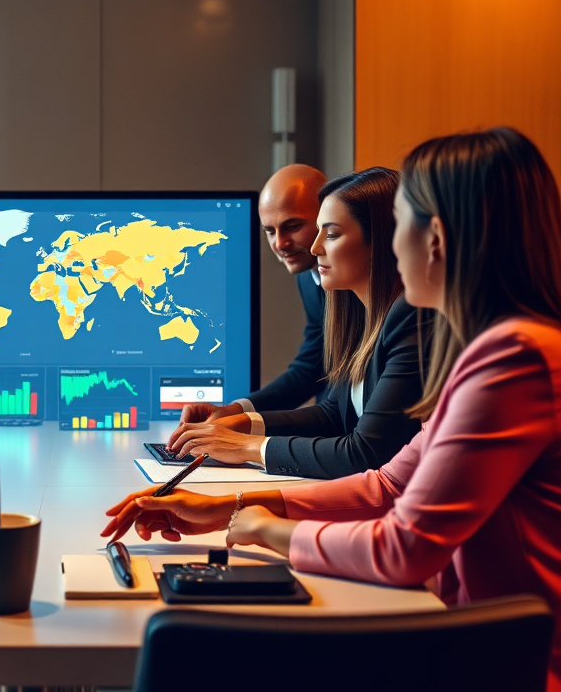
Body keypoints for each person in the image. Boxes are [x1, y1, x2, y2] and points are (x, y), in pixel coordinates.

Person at [101, 128, 561, 692]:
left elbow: (404, 547)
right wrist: (231, 507)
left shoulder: (514, 359)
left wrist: (268, 531)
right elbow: (389, 484)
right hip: (488, 673)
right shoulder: (495, 349)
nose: (391, 244)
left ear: (435, 238)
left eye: (400, 221)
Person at [165, 167, 431, 479]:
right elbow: (334, 413)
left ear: (381, 240)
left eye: (330, 234)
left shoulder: (409, 315)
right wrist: (240, 420)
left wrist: (247, 447)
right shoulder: (353, 305)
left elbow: (366, 451)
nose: (315, 248)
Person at [183, 165, 330, 430]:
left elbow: (339, 409)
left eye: (293, 226)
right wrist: (234, 411)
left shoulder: (362, 287)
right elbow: (312, 366)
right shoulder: (308, 277)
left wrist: (247, 427)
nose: (279, 244)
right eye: (270, 231)